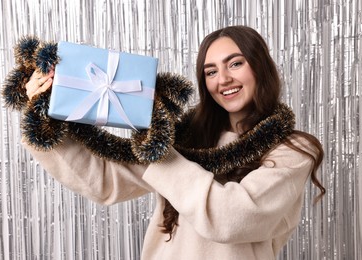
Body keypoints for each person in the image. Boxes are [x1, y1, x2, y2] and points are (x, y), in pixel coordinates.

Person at [23, 25, 325, 259]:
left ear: (260, 67)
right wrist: (44, 113)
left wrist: (157, 146)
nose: (223, 79)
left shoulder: (293, 150)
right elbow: (104, 180)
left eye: (235, 64)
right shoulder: (187, 139)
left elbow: (231, 218)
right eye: (211, 71)